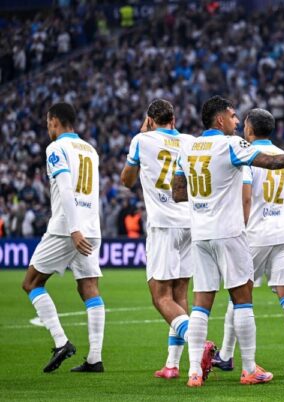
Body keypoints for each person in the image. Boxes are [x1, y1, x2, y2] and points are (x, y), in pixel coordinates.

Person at [171, 95, 284, 387]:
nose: (237, 122)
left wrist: (206, 196)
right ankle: (249, 368)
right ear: (220, 119)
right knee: (242, 300)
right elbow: (273, 162)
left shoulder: (187, 147)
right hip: (231, 232)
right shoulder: (232, 145)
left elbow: (177, 193)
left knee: (201, 303)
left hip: (200, 234)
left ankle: (194, 371)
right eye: (233, 116)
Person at [211, 109, 284, 375]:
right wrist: (280, 223)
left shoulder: (248, 158)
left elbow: (244, 199)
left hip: (255, 233)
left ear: (250, 130)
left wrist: (243, 228)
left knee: (238, 293)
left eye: (244, 125)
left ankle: (227, 355)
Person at [21, 102, 105, 373]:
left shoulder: (56, 148)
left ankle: (61, 342)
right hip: (92, 227)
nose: (48, 129)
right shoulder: (90, 150)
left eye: (48, 124)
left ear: (55, 121)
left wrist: (73, 228)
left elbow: (67, 189)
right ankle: (95, 358)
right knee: (89, 287)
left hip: (67, 228)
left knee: (31, 282)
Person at [120, 99, 196, 379]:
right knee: (179, 294)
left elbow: (127, 181)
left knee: (159, 296)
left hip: (163, 224)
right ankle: (172, 365)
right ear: (173, 119)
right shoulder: (189, 141)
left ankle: (198, 343)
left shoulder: (141, 140)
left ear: (150, 120)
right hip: (190, 223)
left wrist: (143, 132)